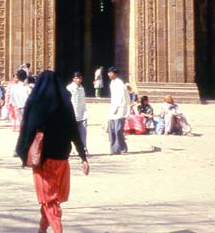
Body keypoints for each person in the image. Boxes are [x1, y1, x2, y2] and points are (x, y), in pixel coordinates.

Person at [16, 71, 89, 233]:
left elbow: (28, 129)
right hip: (62, 158)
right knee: (50, 198)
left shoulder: (37, 102)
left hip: (44, 158)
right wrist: (82, 156)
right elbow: (74, 130)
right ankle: (42, 229)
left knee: (49, 200)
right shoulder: (65, 102)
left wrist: (22, 151)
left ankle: (57, 230)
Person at [107, 67, 130, 154]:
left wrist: (117, 108)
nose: (109, 74)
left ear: (115, 74)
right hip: (113, 108)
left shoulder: (119, 83)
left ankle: (122, 148)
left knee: (118, 130)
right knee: (112, 130)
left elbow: (121, 97)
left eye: (111, 73)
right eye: (109, 73)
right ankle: (114, 149)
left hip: (119, 109)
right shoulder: (112, 83)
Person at [66, 71, 88, 151]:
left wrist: (85, 112)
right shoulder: (69, 88)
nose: (78, 80)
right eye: (76, 78)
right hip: (72, 114)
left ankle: (83, 150)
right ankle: (68, 150)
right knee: (70, 134)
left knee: (83, 133)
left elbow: (83, 101)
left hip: (82, 114)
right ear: (73, 79)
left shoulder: (82, 88)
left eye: (79, 78)